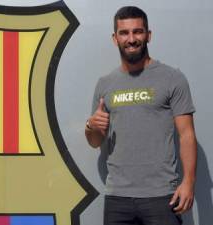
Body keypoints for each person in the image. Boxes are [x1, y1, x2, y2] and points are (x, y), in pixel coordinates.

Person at [85, 6, 197, 225]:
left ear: (149, 35)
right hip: (117, 197)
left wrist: (189, 183)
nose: (131, 39)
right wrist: (91, 126)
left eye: (138, 31)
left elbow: (187, 135)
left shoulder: (172, 78)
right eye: (124, 33)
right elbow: (95, 141)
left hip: (161, 196)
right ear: (114, 38)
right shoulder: (105, 84)